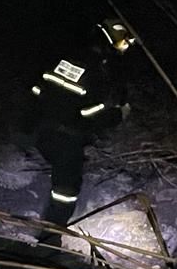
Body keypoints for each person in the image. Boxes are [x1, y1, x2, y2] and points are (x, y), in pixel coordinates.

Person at [22, 18, 137, 242]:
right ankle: (50, 240)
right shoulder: (98, 72)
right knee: (66, 191)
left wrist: (30, 122)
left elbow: (38, 90)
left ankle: (45, 227)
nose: (123, 50)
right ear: (108, 43)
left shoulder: (66, 59)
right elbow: (89, 116)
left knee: (57, 175)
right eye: (121, 44)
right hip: (66, 137)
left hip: (43, 129)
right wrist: (118, 114)